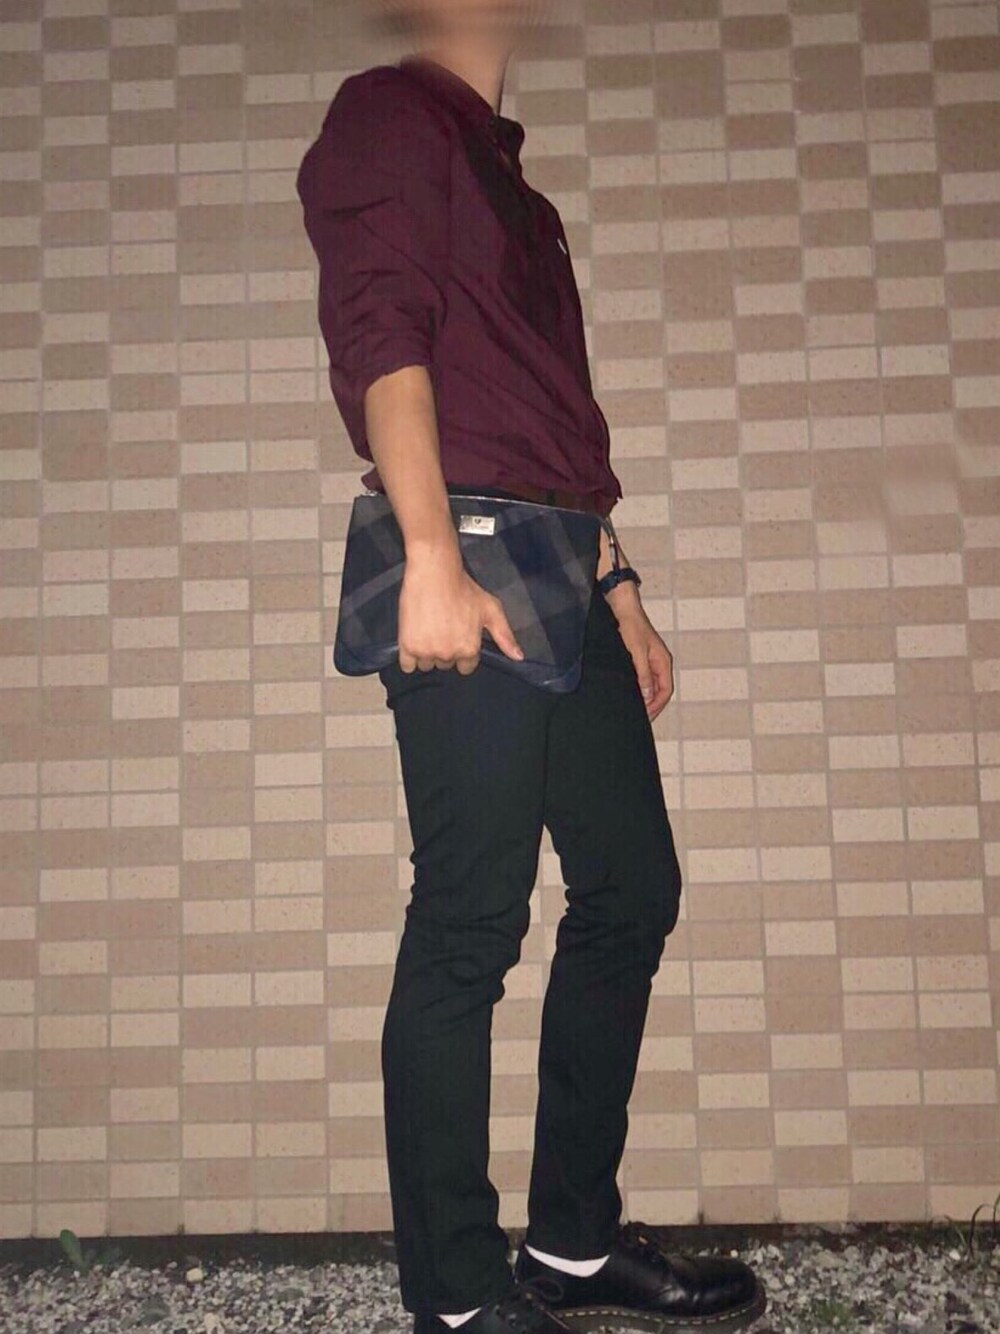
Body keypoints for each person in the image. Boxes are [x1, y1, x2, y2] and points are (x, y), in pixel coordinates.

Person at [296, 3, 766, 1332]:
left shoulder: (517, 190)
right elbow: (381, 334)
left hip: (566, 563)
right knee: (471, 918)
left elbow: (555, 417)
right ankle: (455, 1297)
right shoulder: (390, 115)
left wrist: (622, 590)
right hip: (468, 549)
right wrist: (430, 554)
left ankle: (568, 1245)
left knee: (633, 887)